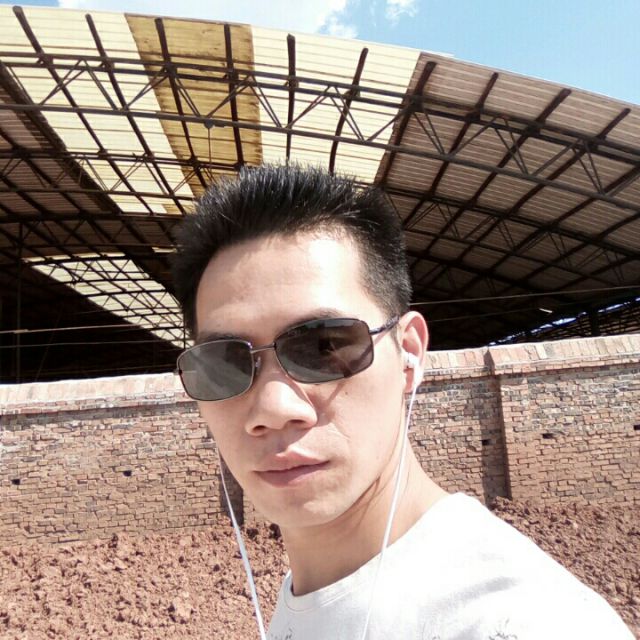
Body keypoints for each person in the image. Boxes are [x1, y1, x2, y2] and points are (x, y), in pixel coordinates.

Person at [171, 164, 633, 640]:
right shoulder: (312, 595)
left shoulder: (520, 623)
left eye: (323, 346)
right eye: (224, 361)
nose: (273, 407)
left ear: (408, 354)